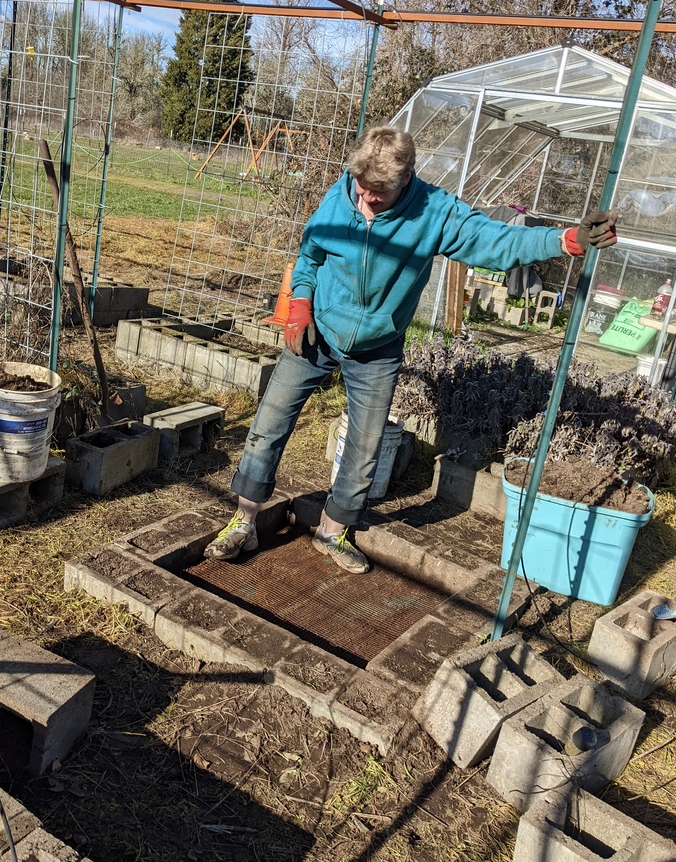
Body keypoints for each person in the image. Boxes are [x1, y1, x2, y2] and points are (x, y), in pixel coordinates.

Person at [204, 125, 617, 573]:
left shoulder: (433, 212)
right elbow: (310, 253)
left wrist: (565, 240)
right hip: (317, 331)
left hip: (378, 346)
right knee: (270, 420)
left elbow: (495, 240)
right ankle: (243, 519)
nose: (366, 200)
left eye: (378, 192)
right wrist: (301, 302)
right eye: (361, 187)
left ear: (406, 178)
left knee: (364, 445)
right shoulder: (340, 194)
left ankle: (333, 529)